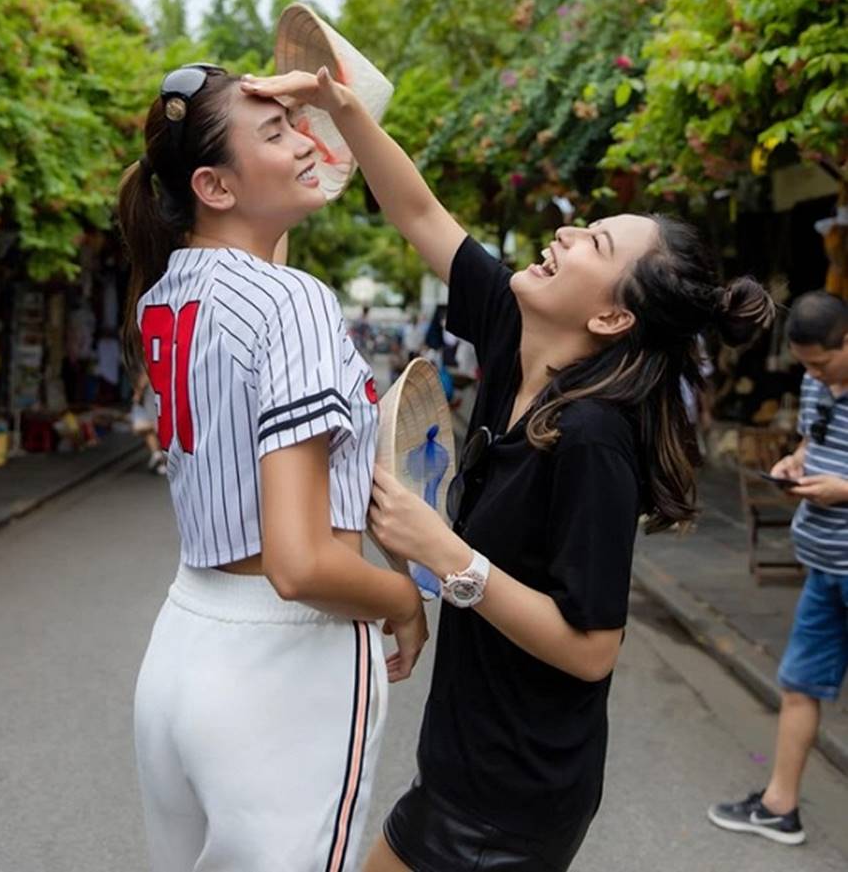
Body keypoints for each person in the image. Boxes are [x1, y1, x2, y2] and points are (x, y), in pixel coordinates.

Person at [241, 66, 774, 872]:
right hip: (468, 763)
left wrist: (445, 552)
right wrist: (343, 110)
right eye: (585, 224)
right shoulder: (509, 335)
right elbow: (418, 209)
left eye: (594, 242)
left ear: (611, 316)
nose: (567, 233)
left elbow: (592, 647)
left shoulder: (594, 436)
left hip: (509, 799)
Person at [117, 63, 427, 872]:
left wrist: (286, 112)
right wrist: (407, 599)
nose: (302, 141)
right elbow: (300, 563)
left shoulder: (167, 290)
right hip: (286, 663)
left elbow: (256, 238)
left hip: (183, 645)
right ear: (215, 185)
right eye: (278, 131)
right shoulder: (291, 302)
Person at [709, 290, 848, 847]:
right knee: (798, 686)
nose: (815, 374)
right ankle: (778, 807)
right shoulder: (816, 382)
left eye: (823, 363)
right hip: (821, 562)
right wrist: (796, 462)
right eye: (806, 365)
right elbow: (816, 442)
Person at [130, 368, 166, 475]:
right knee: (149, 431)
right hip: (151, 396)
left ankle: (159, 457)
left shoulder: (146, 357)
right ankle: (158, 457)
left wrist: (138, 393)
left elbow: (147, 370)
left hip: (152, 395)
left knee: (145, 428)